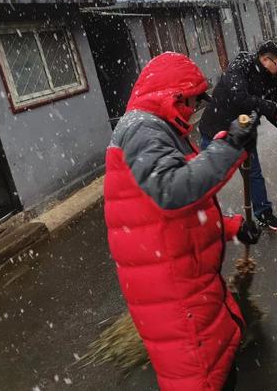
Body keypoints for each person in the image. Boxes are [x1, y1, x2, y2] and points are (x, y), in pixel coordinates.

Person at [104, 51, 262, 391]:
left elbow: (185, 210)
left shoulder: (157, 127)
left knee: (218, 371)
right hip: (176, 296)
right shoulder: (143, 130)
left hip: (185, 284)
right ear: (173, 96)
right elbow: (174, 191)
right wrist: (232, 145)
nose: (192, 111)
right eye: (189, 101)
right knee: (201, 378)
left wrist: (233, 227)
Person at [198, 40, 277, 233]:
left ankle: (263, 214)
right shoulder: (240, 68)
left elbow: (274, 111)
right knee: (207, 176)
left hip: (244, 131)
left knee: (253, 174)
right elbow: (241, 99)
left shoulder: (271, 81)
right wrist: (274, 108)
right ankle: (199, 218)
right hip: (216, 130)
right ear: (265, 59)